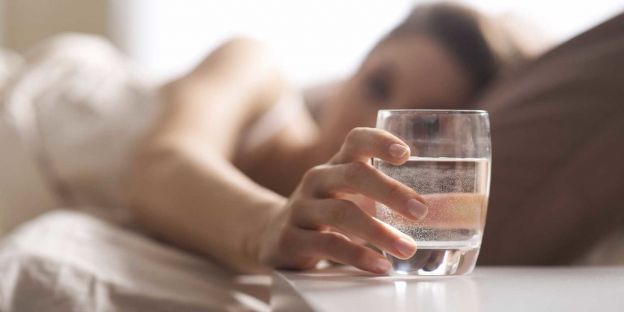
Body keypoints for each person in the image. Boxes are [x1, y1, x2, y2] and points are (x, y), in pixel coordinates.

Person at [125, 2, 532, 273]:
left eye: (421, 127)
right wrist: (266, 226)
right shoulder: (256, 70)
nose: (376, 128)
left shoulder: (364, 252)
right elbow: (161, 165)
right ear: (353, 69)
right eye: (377, 85)